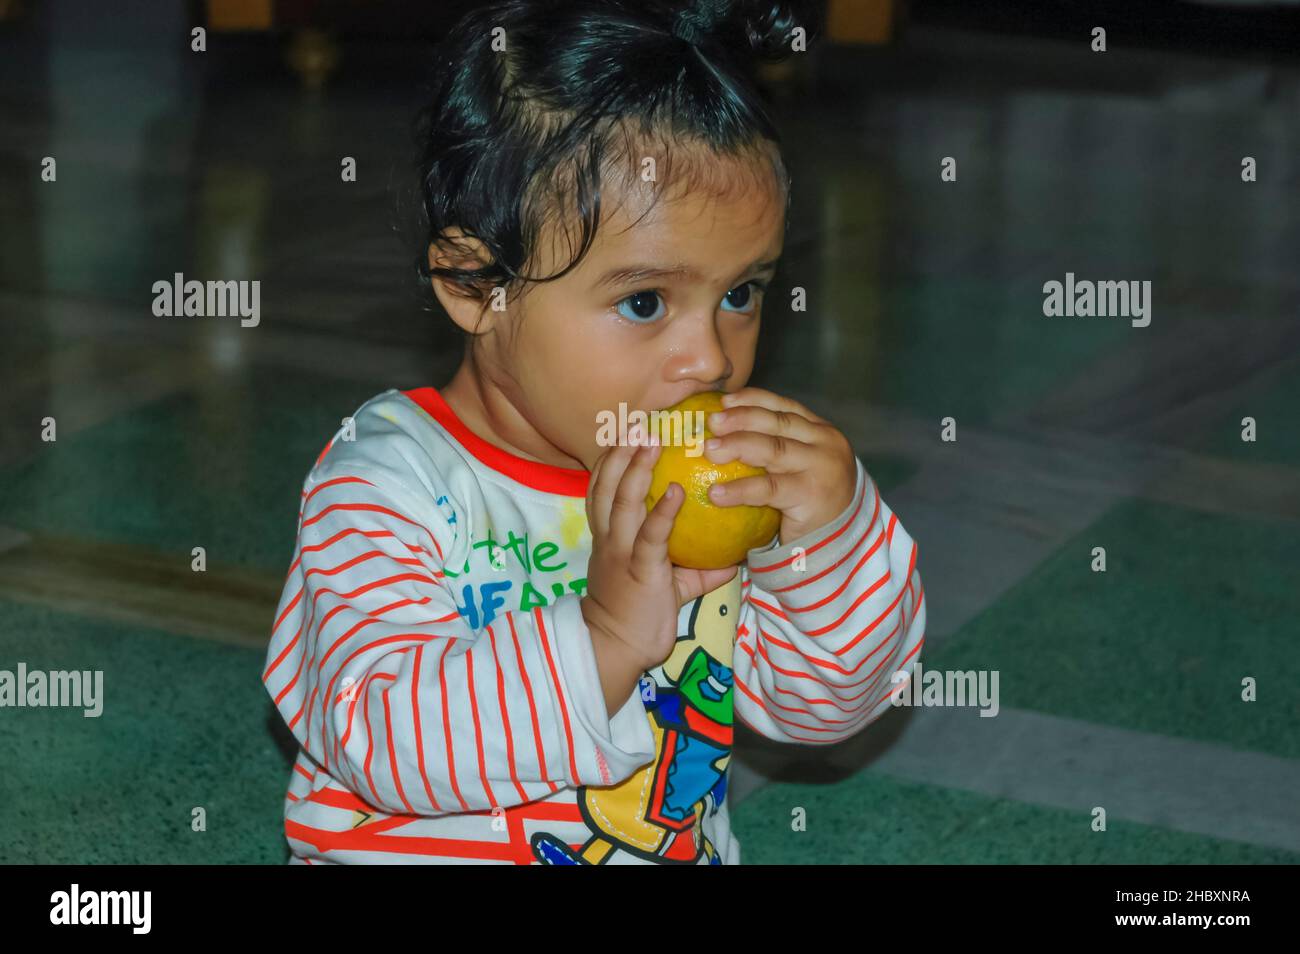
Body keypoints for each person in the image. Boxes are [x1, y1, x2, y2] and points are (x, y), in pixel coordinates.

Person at [262, 0, 926, 864]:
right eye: (644, 302)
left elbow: (823, 711)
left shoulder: (706, 492)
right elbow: (381, 738)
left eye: (741, 293)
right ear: (473, 283)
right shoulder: (383, 484)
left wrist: (833, 542)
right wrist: (605, 636)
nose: (709, 362)